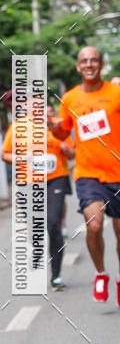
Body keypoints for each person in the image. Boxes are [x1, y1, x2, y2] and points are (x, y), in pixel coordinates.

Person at [48, 46, 120, 304]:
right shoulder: (69, 99)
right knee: (95, 224)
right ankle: (100, 273)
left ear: (101, 65)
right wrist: (54, 127)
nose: (89, 65)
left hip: (118, 173)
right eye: (84, 61)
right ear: (78, 67)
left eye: (93, 61)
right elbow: (62, 132)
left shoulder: (116, 93)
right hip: (88, 173)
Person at [1, 103, 74, 289]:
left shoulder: (58, 126)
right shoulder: (18, 127)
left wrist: (68, 151)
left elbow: (73, 152)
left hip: (55, 178)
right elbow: (5, 154)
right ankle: (37, 248)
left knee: (54, 224)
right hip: (28, 182)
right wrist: (21, 159)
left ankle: (56, 275)